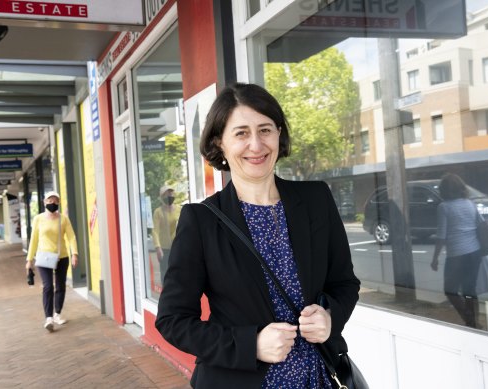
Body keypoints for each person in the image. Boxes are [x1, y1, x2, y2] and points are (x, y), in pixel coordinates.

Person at [155, 83, 361, 388]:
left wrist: (331, 318)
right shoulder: (200, 221)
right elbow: (173, 320)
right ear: (219, 143)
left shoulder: (316, 200)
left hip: (318, 377)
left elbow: (344, 283)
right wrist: (250, 345)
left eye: (265, 130)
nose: (256, 145)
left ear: (279, 133)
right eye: (241, 133)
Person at [430, 173, 483, 328]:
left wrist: (435, 259)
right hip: (474, 252)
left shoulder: (444, 207)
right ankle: (474, 321)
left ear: (444, 190)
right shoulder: (469, 203)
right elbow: (480, 224)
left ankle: (469, 319)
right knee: (470, 290)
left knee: (450, 290)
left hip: (457, 255)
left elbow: (441, 236)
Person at [26, 191, 79, 332]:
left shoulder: (64, 219)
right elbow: (34, 239)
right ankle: (48, 318)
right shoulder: (38, 219)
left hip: (61, 257)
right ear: (44, 202)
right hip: (44, 257)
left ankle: (57, 314)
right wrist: (29, 259)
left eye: (55, 201)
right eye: (50, 201)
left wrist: (74, 254)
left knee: (60, 286)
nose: (52, 203)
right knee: (48, 286)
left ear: (59, 203)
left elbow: (71, 237)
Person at [151, 185, 181, 282]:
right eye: (166, 194)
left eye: (171, 193)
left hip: (177, 247)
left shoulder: (179, 209)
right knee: (165, 275)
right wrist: (158, 247)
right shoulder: (158, 212)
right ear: (161, 197)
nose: (169, 196)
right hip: (164, 249)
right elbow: (155, 231)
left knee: (179, 272)